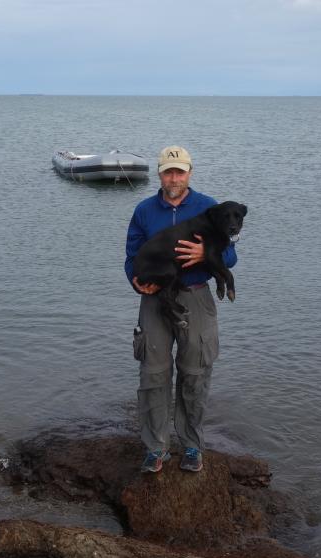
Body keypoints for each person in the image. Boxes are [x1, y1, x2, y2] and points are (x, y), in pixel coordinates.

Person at [124, 145, 239, 473]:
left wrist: (205, 255)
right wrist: (136, 282)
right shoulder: (144, 210)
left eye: (180, 171)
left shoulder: (210, 208)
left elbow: (230, 257)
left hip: (197, 295)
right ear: (159, 174)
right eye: (167, 171)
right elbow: (132, 256)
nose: (174, 177)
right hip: (155, 296)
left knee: (195, 373)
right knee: (153, 372)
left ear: (190, 173)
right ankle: (155, 448)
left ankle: (191, 445)